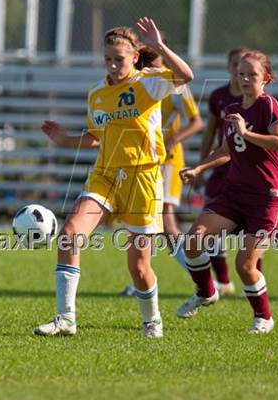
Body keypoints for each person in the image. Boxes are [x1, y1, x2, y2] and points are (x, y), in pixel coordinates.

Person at [34, 17, 194, 338]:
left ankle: (152, 321)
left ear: (134, 57)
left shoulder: (149, 82)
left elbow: (187, 76)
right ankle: (66, 319)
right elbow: (96, 137)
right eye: (107, 59)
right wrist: (65, 139)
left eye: (118, 59)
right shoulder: (96, 94)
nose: (112, 65)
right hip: (105, 175)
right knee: (69, 234)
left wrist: (159, 45)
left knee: (138, 268)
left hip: (143, 179)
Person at [178, 50, 278, 334]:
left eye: (252, 74)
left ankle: (263, 318)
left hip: (267, 199)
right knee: (193, 241)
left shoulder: (269, 105)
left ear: (266, 78)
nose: (245, 79)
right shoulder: (232, 109)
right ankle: (206, 292)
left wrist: (247, 133)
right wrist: (199, 168)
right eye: (241, 74)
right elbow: (226, 150)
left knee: (245, 264)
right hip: (235, 195)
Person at [120, 43, 203, 296]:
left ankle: (202, 279)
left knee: (166, 222)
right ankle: (142, 278)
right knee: (147, 222)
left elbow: (197, 122)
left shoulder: (174, 85)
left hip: (167, 159)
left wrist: (172, 140)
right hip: (145, 159)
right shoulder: (141, 83)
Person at [199, 47, 263, 296]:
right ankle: (223, 281)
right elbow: (211, 132)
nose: (241, 72)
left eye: (246, 67)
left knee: (252, 235)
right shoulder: (219, 97)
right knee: (210, 228)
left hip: (248, 174)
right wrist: (201, 164)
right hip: (222, 168)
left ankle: (254, 275)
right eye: (236, 65)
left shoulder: (261, 102)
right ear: (230, 68)